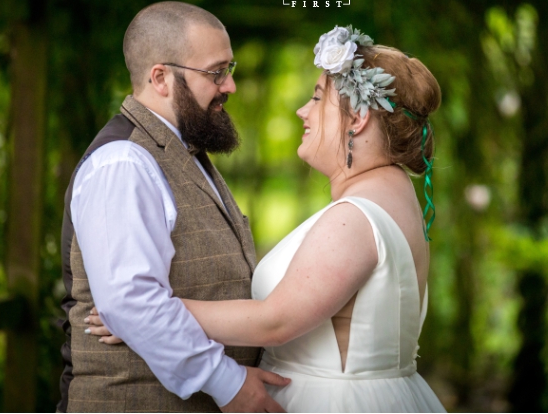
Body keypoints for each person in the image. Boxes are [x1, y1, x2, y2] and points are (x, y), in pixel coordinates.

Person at [89, 25, 447, 412]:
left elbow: (275, 322)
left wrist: (142, 315)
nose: (303, 111)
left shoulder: (355, 217)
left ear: (357, 117)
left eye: (317, 97)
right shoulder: (396, 194)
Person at [57, 1, 290, 413]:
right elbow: (132, 301)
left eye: (229, 70)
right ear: (161, 78)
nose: (230, 86)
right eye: (216, 72)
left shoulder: (183, 150)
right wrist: (229, 383)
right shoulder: (123, 163)